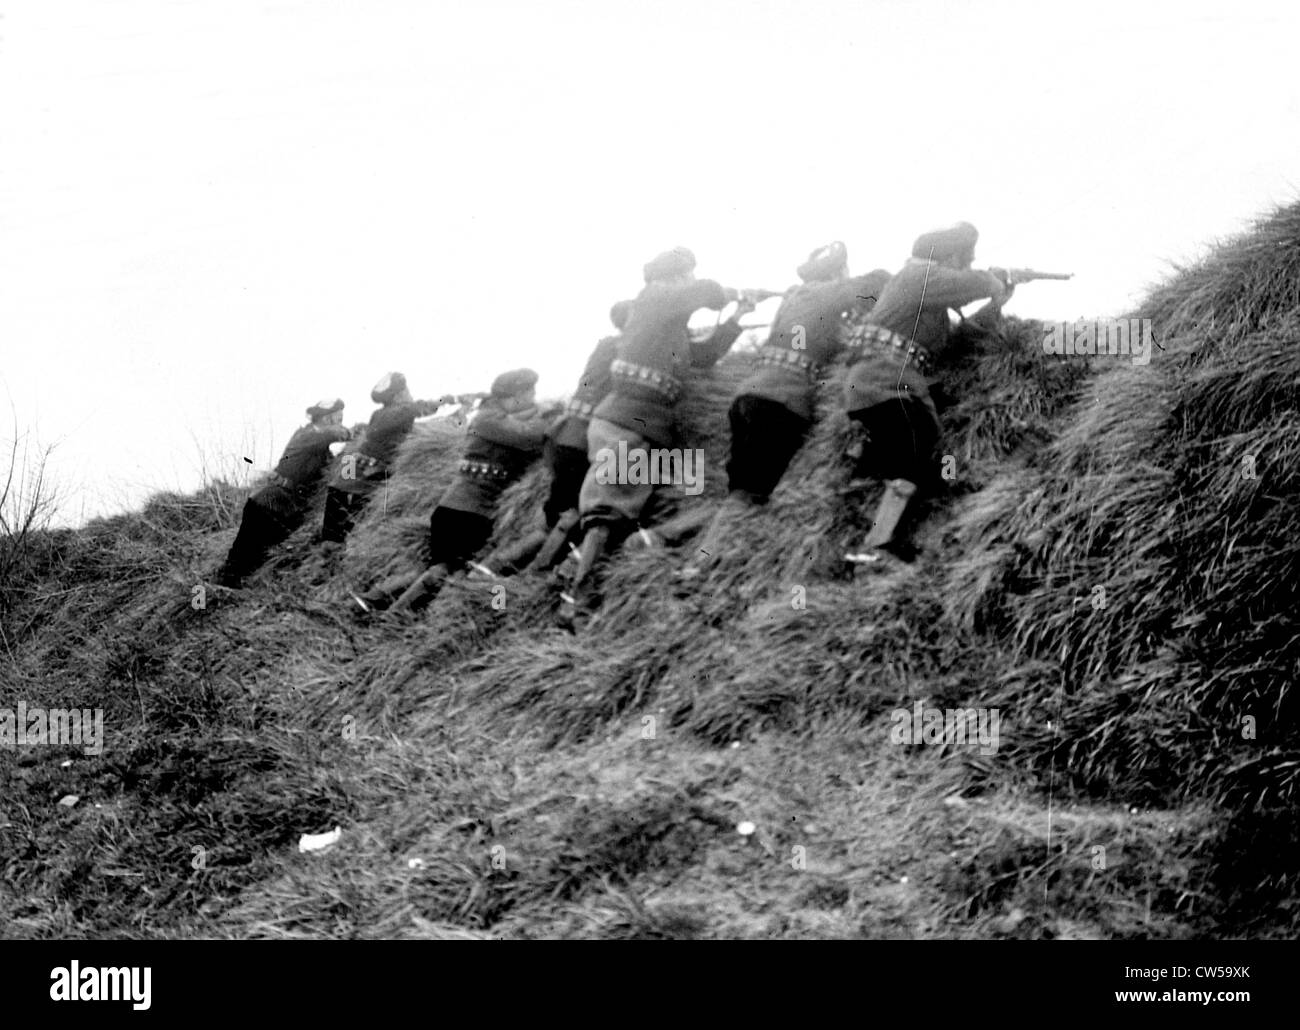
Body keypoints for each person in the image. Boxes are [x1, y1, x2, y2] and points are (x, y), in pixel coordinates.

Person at [557, 246, 750, 627]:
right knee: (607, 512)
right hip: (625, 423)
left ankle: (585, 560)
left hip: (650, 430)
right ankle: (576, 603)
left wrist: (738, 315)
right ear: (674, 277)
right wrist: (732, 293)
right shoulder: (654, 299)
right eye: (689, 274)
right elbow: (706, 292)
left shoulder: (666, 325)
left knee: (689, 489)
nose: (693, 280)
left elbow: (704, 355)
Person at [682, 242, 893, 575]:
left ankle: (689, 548)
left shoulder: (797, 301)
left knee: (742, 491)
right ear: (838, 272)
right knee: (748, 495)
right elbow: (874, 283)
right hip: (781, 401)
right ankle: (698, 566)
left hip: (750, 396)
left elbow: (823, 338)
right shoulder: (825, 293)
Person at [840, 222, 1011, 564]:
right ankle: (877, 543)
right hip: (883, 380)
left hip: (890, 381)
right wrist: (992, 279)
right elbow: (967, 283)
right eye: (965, 258)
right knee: (914, 449)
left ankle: (867, 459)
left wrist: (998, 303)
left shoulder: (928, 306)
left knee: (916, 447)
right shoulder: (916, 276)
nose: (967, 265)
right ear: (947, 256)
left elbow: (957, 342)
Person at [354, 368, 547, 613]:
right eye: (529, 394)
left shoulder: (495, 418)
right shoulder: (487, 419)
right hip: (467, 512)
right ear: (513, 396)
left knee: (438, 570)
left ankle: (369, 601)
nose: (533, 399)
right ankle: (391, 617)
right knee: (443, 571)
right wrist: (549, 415)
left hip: (461, 510)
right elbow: (530, 436)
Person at [216, 398, 352, 587]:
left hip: (283, 506)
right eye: (338, 418)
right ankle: (223, 588)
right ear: (327, 419)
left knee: (257, 553)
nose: (340, 422)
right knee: (244, 552)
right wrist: (358, 433)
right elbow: (341, 433)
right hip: (269, 502)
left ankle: (232, 587)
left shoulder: (319, 448)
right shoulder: (308, 435)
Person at [320, 372, 446, 543]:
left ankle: (334, 541)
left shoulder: (382, 414)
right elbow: (421, 407)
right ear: (398, 396)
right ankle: (337, 541)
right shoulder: (398, 411)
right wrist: (448, 400)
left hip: (357, 462)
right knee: (349, 496)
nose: (409, 393)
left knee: (340, 493)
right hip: (368, 466)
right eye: (406, 390)